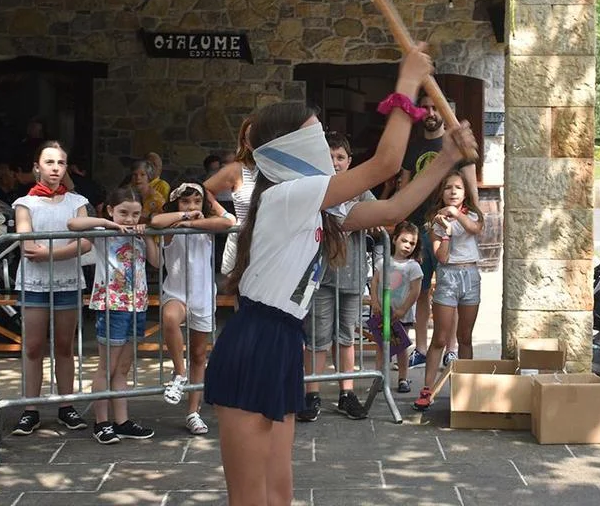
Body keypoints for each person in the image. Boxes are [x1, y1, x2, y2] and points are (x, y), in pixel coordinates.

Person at [203, 45, 478, 506]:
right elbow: (385, 165)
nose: (323, 143)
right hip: (254, 340)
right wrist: (407, 82)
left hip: (282, 338)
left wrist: (446, 157)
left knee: (279, 494)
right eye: (312, 133)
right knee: (251, 498)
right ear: (288, 147)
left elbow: (392, 209)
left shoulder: (313, 202)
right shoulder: (287, 196)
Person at [10, 141, 94, 436]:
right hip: (34, 283)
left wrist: (49, 253)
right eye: (49, 162)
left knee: (64, 346)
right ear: (37, 167)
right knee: (33, 346)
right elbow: (27, 245)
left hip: (67, 281)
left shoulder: (77, 202)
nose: (55, 168)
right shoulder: (25, 204)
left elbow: (85, 242)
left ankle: (66, 405)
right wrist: (61, 250)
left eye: (60, 162)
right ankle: (30, 408)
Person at [69, 187, 160, 445]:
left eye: (135, 214)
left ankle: (122, 421)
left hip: (137, 305)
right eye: (123, 213)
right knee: (106, 367)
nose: (129, 219)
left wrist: (148, 236)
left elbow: (156, 262)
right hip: (112, 304)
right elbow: (73, 224)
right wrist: (108, 223)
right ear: (111, 210)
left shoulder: (139, 236)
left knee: (123, 368)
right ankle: (101, 422)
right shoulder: (104, 233)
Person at [395, 93, 479, 370]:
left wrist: (470, 219)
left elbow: (472, 190)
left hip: (449, 229)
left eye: (435, 108)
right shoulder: (413, 147)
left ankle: (450, 350)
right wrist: (403, 223)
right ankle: (420, 349)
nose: (430, 113)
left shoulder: (457, 148)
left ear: (445, 111)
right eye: (425, 108)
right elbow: (403, 188)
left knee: (449, 293)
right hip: (419, 228)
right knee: (419, 289)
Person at [297, 131, 375, 422]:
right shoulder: (314, 188)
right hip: (320, 276)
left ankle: (347, 393)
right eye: (330, 156)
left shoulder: (359, 188)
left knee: (346, 336)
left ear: (349, 161)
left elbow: (376, 212)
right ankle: (312, 393)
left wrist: (361, 215)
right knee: (316, 337)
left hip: (351, 275)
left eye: (340, 157)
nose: (335, 162)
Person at [151, 182, 234, 435]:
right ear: (176, 203)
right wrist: (185, 217)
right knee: (169, 318)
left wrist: (196, 219)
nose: (192, 206)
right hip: (177, 293)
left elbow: (228, 221)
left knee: (199, 354)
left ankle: (193, 412)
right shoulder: (171, 227)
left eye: (197, 202)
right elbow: (155, 221)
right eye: (186, 201)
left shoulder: (205, 226)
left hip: (203, 295)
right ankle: (179, 372)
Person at [413, 171, 484, 411]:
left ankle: (467, 389)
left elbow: (475, 228)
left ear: (465, 193)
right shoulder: (436, 221)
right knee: (440, 338)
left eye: (458, 187)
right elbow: (441, 257)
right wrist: (446, 233)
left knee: (465, 337)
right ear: (441, 193)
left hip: (470, 275)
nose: (453, 191)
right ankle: (427, 388)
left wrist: (456, 214)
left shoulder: (472, 214)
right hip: (448, 276)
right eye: (448, 187)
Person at [369, 222, 423, 393]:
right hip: (383, 312)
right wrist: (375, 302)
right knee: (381, 346)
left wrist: (403, 310)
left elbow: (415, 291)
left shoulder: (413, 266)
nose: (407, 246)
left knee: (401, 347)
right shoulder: (382, 262)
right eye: (404, 241)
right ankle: (379, 376)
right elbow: (375, 282)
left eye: (412, 243)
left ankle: (403, 378)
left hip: (401, 315)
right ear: (394, 240)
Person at [205, 117, 256, 276]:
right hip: (245, 245)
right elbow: (202, 190)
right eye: (250, 136)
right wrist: (224, 214)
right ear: (245, 142)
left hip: (275, 245)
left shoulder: (280, 169)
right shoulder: (236, 170)